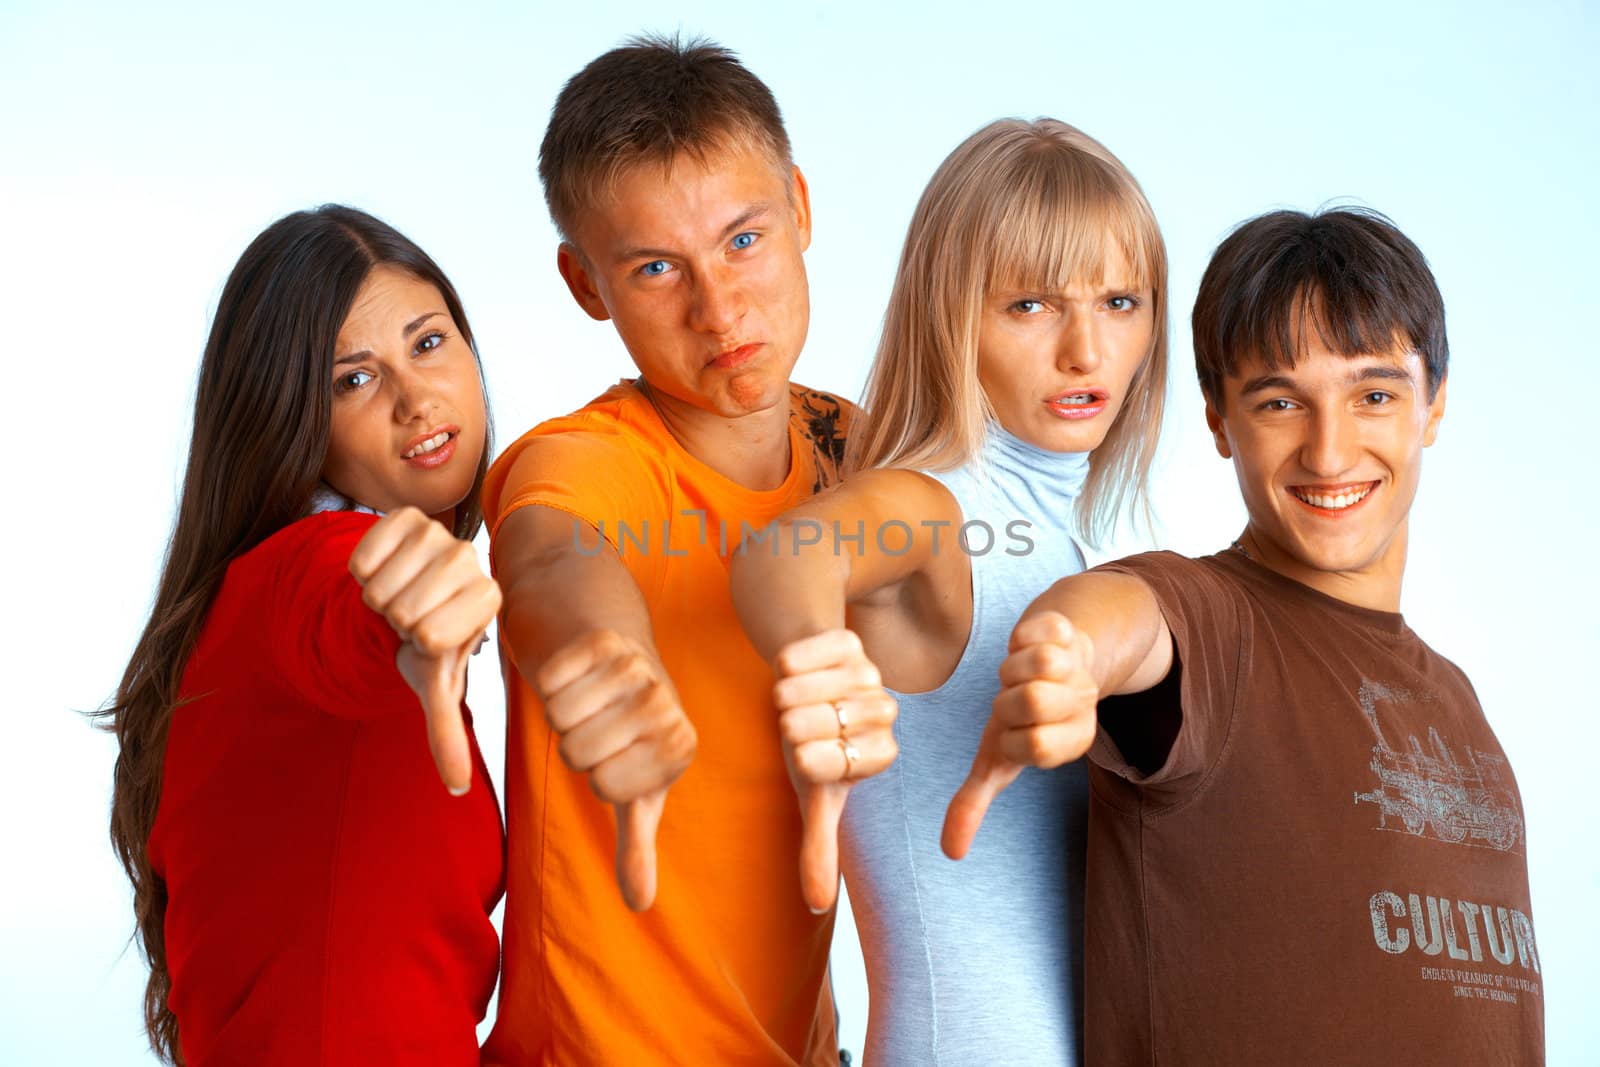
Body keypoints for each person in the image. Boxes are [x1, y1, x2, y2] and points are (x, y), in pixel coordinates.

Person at [946, 206, 1544, 1062]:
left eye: (1374, 395)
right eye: (1279, 401)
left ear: (1433, 405)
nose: (1330, 452)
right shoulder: (1214, 620)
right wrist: (1066, 651)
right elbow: (1124, 618)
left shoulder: (1457, 699)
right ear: (1221, 422)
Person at [730, 118, 1168, 1064]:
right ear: (949, 312)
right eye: (1030, 305)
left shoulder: (1081, 556)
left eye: (1121, 300)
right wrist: (818, 665)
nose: (1087, 350)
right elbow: (795, 550)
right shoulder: (932, 507)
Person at [480, 36, 851, 1065]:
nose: (719, 308)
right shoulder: (582, 458)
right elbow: (553, 555)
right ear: (585, 283)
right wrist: (604, 652)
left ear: (802, 209)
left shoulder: (858, 452)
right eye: (655, 268)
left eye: (743, 239)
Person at [101, 205, 505, 1065]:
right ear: (288, 419)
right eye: (352, 381)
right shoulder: (307, 569)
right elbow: (348, 612)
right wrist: (411, 602)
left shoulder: (232, 603)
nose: (416, 397)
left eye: (428, 342)